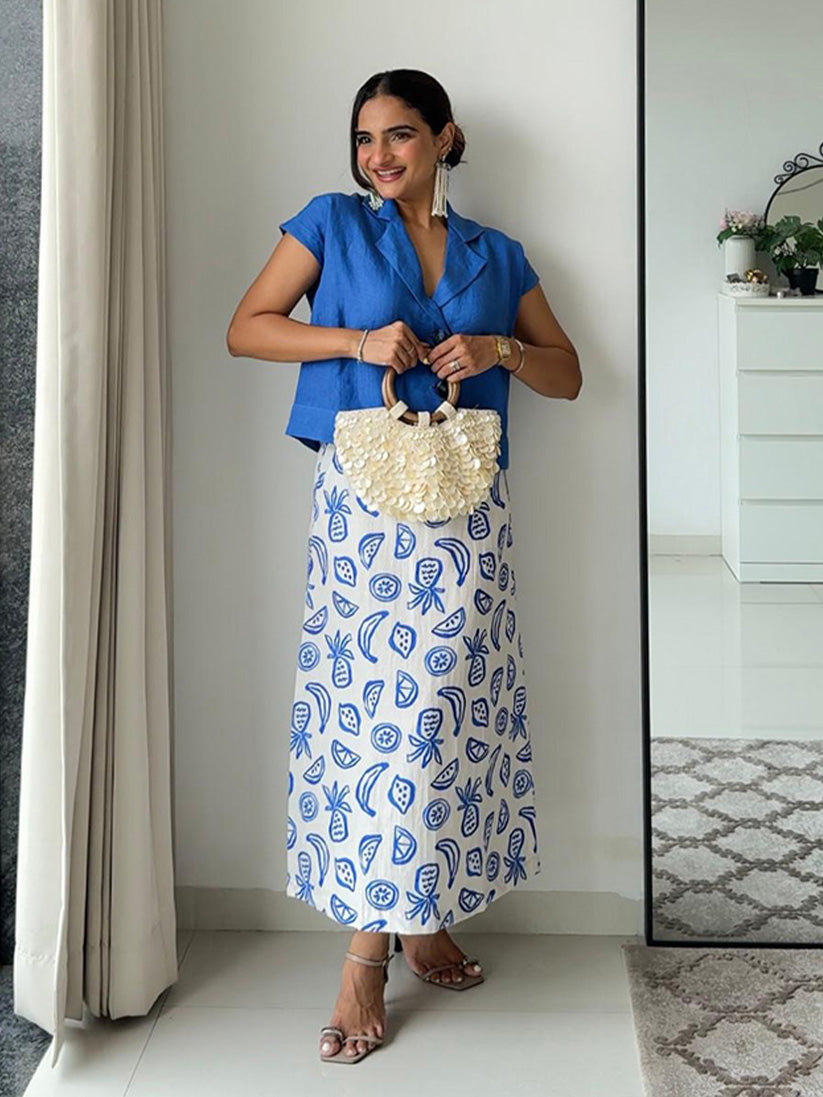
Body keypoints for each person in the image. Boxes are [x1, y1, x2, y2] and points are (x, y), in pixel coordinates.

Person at [227, 68, 581, 1065]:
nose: (377, 154)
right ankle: (365, 956)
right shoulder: (331, 223)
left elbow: (567, 373)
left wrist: (501, 348)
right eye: (363, 137)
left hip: (465, 511)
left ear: (444, 138)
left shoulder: (496, 253)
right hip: (364, 513)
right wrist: (355, 338)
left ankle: (421, 915)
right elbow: (246, 327)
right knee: (377, 725)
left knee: (443, 719)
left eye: (399, 135)